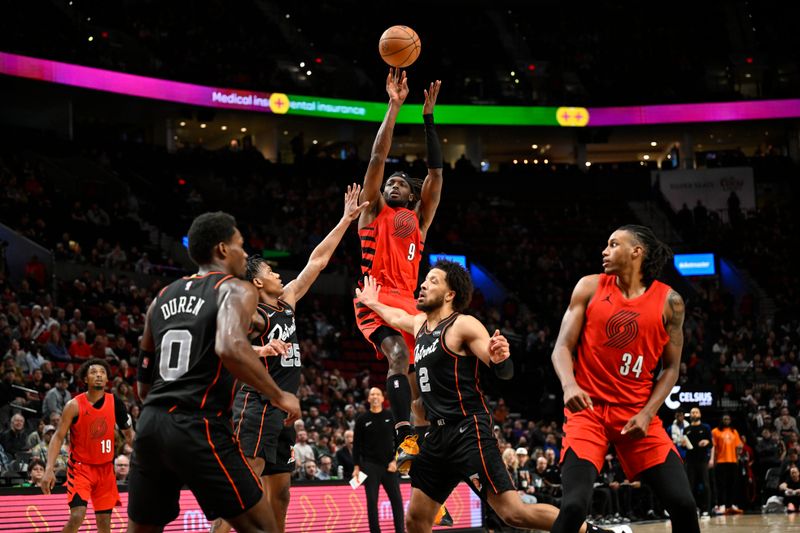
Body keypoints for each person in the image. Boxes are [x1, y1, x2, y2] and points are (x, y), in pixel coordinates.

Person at [356, 261, 615, 533]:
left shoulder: (463, 325)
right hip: (437, 437)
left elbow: (501, 370)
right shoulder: (420, 324)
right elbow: (396, 318)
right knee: (416, 521)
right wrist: (372, 302)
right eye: (425, 280)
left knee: (513, 514)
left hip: (468, 431)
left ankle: (590, 531)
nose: (423, 285)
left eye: (432, 281)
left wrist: (500, 357)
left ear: (449, 294)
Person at [127, 211, 301, 533]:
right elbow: (230, 347)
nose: (245, 254)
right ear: (222, 249)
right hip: (198, 423)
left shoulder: (161, 297)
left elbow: (143, 384)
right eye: (241, 246)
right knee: (263, 528)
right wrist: (279, 395)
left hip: (150, 426)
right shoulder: (235, 289)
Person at [211, 185, 368, 533]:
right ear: (256, 280)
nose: (278, 273)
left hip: (282, 416)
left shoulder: (288, 300)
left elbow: (318, 260)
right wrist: (262, 350)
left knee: (280, 494)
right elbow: (223, 345)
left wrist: (345, 220)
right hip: (255, 407)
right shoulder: (254, 313)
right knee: (244, 492)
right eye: (271, 270)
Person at [549, 225, 699, 533]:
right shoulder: (589, 287)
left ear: (636, 252)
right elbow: (561, 347)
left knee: (684, 504)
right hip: (588, 412)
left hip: (636, 413)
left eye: (613, 244)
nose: (605, 251)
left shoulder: (671, 302)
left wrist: (647, 414)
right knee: (575, 505)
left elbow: (671, 368)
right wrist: (569, 385)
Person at [353, 68, 443, 467]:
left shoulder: (419, 221)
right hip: (374, 297)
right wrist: (394, 106)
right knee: (396, 358)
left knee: (420, 390)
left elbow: (437, 173)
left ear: (412, 194)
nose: (394, 184)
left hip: (410, 304)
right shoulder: (372, 213)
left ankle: (421, 460)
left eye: (402, 182)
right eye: (390, 181)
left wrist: (428, 119)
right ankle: (403, 431)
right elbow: (376, 156)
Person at [41, 359, 134, 533]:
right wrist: (49, 468)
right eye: (93, 372)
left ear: (107, 380)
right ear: (85, 379)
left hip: (106, 470)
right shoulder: (73, 405)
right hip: (80, 469)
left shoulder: (116, 404)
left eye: (102, 372)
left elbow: (130, 436)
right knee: (77, 516)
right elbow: (58, 436)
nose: (98, 375)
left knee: (105, 523)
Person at [352, 387, 405, 533]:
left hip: (390, 466)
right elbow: (356, 445)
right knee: (372, 503)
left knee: (397, 502)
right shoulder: (362, 419)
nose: (375, 397)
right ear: (368, 399)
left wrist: (396, 461)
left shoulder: (391, 416)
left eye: (377, 394)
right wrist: (356, 467)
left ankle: (400, 531)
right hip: (370, 466)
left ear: (383, 398)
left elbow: (400, 442)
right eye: (372, 394)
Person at [711, 413, 744, 515]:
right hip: (721, 461)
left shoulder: (734, 432)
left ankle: (730, 505)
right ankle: (721, 505)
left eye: (728, 419)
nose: (726, 421)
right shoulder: (715, 431)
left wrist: (739, 451)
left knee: (732, 485)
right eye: (724, 419)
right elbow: (714, 447)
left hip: (733, 461)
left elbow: (739, 445)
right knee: (721, 485)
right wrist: (713, 459)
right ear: (721, 420)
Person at [684, 406, 713, 516]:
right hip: (690, 461)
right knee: (690, 486)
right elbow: (684, 446)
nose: (694, 414)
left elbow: (711, 443)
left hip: (702, 461)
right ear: (690, 415)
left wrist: (706, 442)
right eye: (692, 413)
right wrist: (683, 444)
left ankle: (707, 509)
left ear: (700, 414)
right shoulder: (687, 430)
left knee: (706, 485)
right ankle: (693, 509)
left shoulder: (705, 428)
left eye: (696, 412)